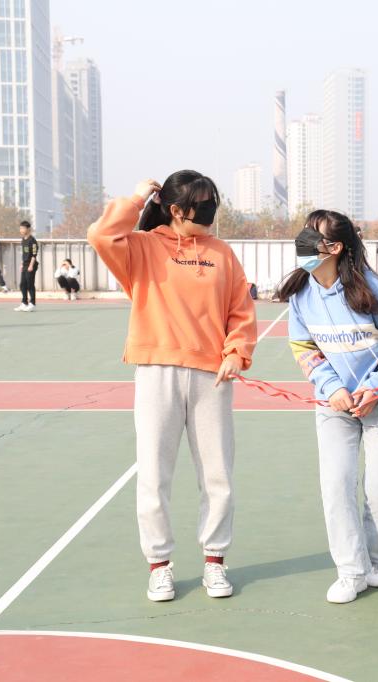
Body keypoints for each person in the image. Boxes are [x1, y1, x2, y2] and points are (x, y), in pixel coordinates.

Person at [88, 170, 257, 603]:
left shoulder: (222, 253)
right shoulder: (141, 248)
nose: (210, 210)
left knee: (218, 475)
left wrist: (236, 352)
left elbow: (240, 309)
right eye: (202, 203)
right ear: (177, 210)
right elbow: (101, 235)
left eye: (213, 201)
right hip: (156, 371)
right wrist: (136, 199)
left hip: (211, 376)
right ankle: (159, 566)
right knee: (154, 475)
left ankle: (214, 561)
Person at [277, 210, 378, 604]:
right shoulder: (301, 294)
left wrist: (374, 387)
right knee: (336, 485)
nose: (303, 240)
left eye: (312, 235)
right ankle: (351, 572)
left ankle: (375, 562)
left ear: (335, 247)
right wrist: (332, 387)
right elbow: (303, 346)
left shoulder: (372, 288)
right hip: (333, 405)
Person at [15, 220, 39, 312]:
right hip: (25, 265)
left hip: (31, 265)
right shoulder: (23, 240)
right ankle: (24, 303)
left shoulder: (32, 241)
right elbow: (24, 253)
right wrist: (22, 264)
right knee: (22, 284)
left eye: (23, 228)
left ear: (28, 229)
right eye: (20, 228)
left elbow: (34, 255)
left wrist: (31, 266)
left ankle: (32, 303)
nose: (21, 230)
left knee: (30, 284)